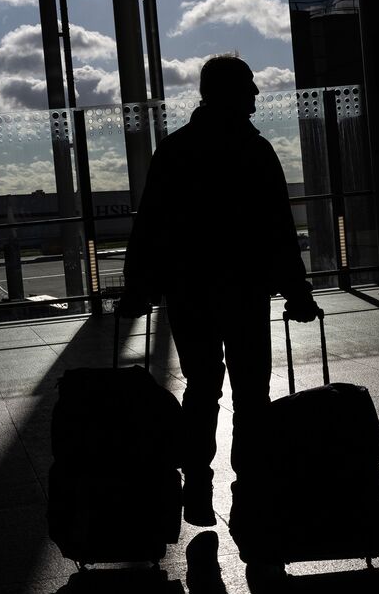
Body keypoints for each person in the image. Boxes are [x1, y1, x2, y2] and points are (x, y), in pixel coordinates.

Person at [119, 54, 318, 527]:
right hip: (244, 290)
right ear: (232, 92)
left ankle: (197, 486)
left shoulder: (174, 150)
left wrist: (139, 288)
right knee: (252, 392)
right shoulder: (255, 151)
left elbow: (151, 227)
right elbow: (278, 231)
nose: (255, 94)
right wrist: (296, 291)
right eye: (249, 86)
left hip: (188, 292)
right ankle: (251, 486)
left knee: (202, 386)